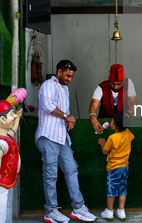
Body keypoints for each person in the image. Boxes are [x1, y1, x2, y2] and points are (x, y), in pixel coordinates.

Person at [35, 60, 97, 223]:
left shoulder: (65, 89)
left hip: (62, 137)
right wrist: (65, 116)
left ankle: (78, 208)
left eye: (71, 77)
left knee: (71, 169)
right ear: (60, 72)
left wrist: (69, 119)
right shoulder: (49, 85)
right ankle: (51, 211)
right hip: (48, 136)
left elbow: (65, 112)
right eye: (68, 75)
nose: (70, 79)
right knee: (50, 175)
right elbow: (48, 106)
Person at [0, 100, 23, 223]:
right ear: (2, 120)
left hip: (7, 182)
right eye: (11, 115)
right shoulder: (0, 142)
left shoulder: (6, 136)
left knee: (7, 211)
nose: (13, 117)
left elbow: (14, 130)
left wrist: (17, 117)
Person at [97, 112, 135, 220]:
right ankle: (121, 211)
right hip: (125, 167)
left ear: (115, 125)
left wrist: (102, 144)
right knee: (123, 189)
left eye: (112, 121)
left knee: (111, 189)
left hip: (113, 168)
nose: (110, 122)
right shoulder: (127, 134)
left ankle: (109, 211)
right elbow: (132, 135)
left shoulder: (112, 138)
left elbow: (105, 151)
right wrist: (125, 127)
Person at [89, 64, 137, 134]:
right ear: (109, 79)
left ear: (123, 81)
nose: (116, 87)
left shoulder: (129, 83)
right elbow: (93, 105)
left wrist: (126, 115)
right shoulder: (101, 87)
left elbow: (134, 103)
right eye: (113, 83)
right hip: (105, 123)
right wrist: (93, 118)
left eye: (119, 84)